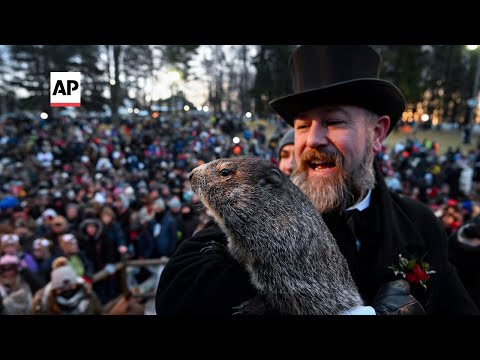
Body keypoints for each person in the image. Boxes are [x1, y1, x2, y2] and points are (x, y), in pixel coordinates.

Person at [155, 45, 478, 315]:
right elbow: (181, 291)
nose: (313, 139)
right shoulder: (258, 202)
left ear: (377, 133)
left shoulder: (419, 222)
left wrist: (467, 251)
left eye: (334, 121)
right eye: (301, 126)